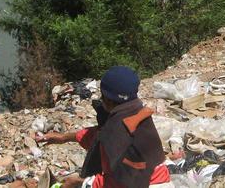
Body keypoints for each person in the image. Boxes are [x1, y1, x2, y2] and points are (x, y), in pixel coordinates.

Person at [35, 66, 173, 188]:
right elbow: (99, 137)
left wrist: (81, 182)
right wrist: (65, 138)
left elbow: (120, 183)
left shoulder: (116, 131)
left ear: (106, 98)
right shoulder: (135, 112)